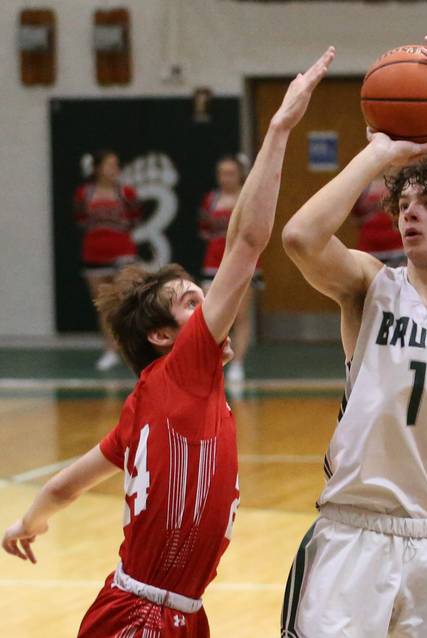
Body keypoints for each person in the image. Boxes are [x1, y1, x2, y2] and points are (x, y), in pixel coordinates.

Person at [2, 48, 334, 637]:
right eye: (190, 302)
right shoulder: (181, 368)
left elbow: (64, 484)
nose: (208, 305)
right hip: (141, 613)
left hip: (181, 614)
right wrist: (280, 127)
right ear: (163, 337)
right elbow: (249, 240)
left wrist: (30, 521)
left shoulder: (148, 402)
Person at [279, 34, 427, 637]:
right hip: (353, 531)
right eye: (402, 202)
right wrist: (377, 157)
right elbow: (301, 239)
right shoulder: (369, 285)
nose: (409, 212)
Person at [74, 149, 141, 371]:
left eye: (116, 164)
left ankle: (134, 348)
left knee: (127, 300)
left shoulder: (126, 193)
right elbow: (81, 219)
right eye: (110, 164)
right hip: (94, 253)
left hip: (123, 251)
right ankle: (110, 350)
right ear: (97, 168)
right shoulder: (84, 194)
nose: (115, 169)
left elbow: (134, 218)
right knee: (104, 305)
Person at [198, 154, 261, 383]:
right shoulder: (210, 200)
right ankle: (209, 362)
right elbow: (204, 228)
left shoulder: (249, 198)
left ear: (240, 174)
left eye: (230, 173)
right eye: (222, 173)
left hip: (244, 262)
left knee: (241, 315)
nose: (226, 178)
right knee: (208, 315)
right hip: (214, 261)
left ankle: (238, 363)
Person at [350, 178, 406, 267]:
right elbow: (355, 217)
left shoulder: (404, 180)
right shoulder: (362, 182)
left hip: (397, 249)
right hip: (369, 250)